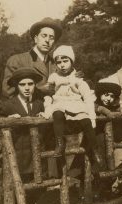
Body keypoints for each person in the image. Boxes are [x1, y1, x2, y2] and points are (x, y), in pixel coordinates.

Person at [41, 45, 103, 173]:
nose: (62, 65)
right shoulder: (53, 77)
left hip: (75, 104)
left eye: (65, 61)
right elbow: (48, 95)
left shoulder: (78, 77)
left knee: (86, 122)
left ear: (71, 61)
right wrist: (47, 110)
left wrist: (92, 116)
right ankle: (60, 144)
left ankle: (95, 150)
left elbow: (87, 96)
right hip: (59, 104)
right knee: (57, 114)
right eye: (59, 62)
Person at [0, 67, 45, 177]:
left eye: (30, 84)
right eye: (22, 85)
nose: (27, 88)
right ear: (16, 86)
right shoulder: (8, 105)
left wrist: (44, 118)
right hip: (17, 153)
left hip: (36, 154)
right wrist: (8, 120)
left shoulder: (40, 104)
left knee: (38, 187)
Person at [2, 17, 62, 98]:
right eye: (44, 36)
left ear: (54, 42)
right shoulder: (17, 60)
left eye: (51, 37)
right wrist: (38, 91)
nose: (47, 40)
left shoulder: (58, 64)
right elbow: (8, 91)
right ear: (36, 39)